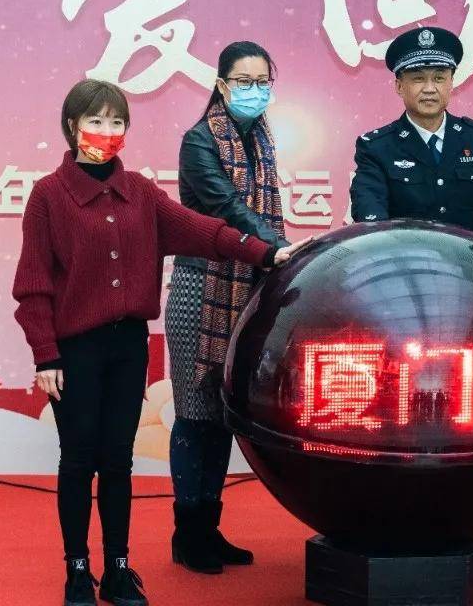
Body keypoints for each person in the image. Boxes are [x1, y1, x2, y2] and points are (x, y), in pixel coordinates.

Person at [12, 80, 309, 606]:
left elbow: (205, 232)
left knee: (118, 461)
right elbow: (33, 286)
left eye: (117, 122)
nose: (107, 132)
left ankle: (118, 568)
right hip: (74, 352)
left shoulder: (141, 193)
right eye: (96, 121)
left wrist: (266, 253)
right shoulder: (48, 196)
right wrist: (45, 356)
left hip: (129, 346)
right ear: (72, 127)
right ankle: (78, 570)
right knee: (78, 460)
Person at [164, 41, 289, 574]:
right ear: (221, 85)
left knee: (221, 419)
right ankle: (187, 534)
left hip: (245, 290)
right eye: (243, 81)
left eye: (263, 81)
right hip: (201, 289)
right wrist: (279, 246)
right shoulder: (199, 141)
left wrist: (275, 249)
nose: (254, 90)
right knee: (195, 416)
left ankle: (210, 529)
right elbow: (226, 208)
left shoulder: (260, 139)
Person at [350, 26, 473, 245]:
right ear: (399, 86)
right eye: (418, 79)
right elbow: (371, 222)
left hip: (468, 265)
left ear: (451, 83)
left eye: (439, 78)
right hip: (404, 262)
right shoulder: (376, 148)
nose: (429, 88)